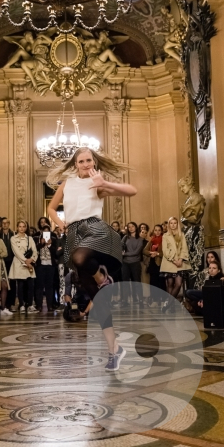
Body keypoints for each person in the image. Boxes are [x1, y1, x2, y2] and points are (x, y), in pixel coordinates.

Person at [47, 147, 137, 371]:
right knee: (96, 297)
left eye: (89, 160)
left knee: (79, 258)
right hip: (74, 234)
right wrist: (61, 224)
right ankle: (114, 350)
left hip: (95, 230)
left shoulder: (97, 182)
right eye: (81, 161)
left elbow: (131, 190)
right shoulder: (67, 183)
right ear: (75, 164)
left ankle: (102, 276)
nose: (86, 164)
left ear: (94, 162)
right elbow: (51, 208)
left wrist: (105, 184)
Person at [160, 216, 191, 311]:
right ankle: (171, 306)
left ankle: (168, 303)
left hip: (180, 262)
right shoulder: (165, 236)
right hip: (169, 262)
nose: (173, 225)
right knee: (170, 283)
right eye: (171, 223)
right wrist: (173, 260)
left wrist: (180, 259)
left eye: (175, 223)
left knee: (178, 283)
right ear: (169, 225)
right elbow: (164, 250)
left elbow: (184, 248)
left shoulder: (181, 234)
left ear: (177, 224)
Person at [9, 221, 38, 313]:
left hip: (29, 263)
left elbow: (35, 251)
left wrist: (32, 260)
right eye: (20, 226)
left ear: (26, 228)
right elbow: (16, 252)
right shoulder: (13, 238)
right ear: (17, 227)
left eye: (23, 226)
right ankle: (21, 304)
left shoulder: (30, 238)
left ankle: (30, 304)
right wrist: (25, 261)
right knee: (20, 285)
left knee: (30, 285)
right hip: (19, 263)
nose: (21, 228)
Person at [34, 223, 58, 312]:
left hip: (50, 265)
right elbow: (35, 249)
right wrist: (41, 243)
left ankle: (50, 306)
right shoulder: (37, 239)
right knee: (39, 286)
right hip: (40, 265)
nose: (46, 233)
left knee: (49, 286)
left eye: (48, 231)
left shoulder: (54, 240)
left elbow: (56, 252)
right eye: (44, 231)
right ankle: (39, 305)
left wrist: (49, 245)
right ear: (42, 232)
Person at [121, 222, 145, 306]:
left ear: (136, 227)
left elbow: (136, 252)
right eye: (129, 227)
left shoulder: (140, 239)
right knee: (125, 282)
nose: (131, 228)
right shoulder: (125, 237)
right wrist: (122, 253)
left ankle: (141, 300)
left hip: (135, 262)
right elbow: (121, 246)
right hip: (125, 263)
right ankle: (125, 301)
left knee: (137, 282)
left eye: (132, 226)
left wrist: (125, 254)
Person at [143, 224, 164, 307]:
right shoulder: (152, 240)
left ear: (161, 231)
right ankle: (155, 300)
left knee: (161, 282)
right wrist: (151, 253)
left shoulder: (164, 240)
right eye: (156, 230)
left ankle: (162, 300)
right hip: (152, 264)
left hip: (161, 263)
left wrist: (157, 253)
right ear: (153, 231)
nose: (157, 232)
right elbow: (144, 250)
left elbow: (166, 253)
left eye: (159, 230)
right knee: (153, 282)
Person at [0, 218, 16, 311]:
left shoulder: (13, 234)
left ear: (9, 224)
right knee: (2, 283)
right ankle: (2, 304)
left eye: (6, 223)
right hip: (2, 261)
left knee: (12, 282)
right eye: (3, 223)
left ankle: (11, 303)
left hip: (12, 261)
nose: (5, 225)